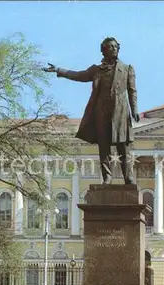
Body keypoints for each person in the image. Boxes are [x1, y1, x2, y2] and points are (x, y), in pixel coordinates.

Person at [43, 37, 139, 185]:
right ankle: (107, 177)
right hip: (101, 112)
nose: (114, 49)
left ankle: (128, 178)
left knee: (124, 147)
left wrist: (134, 110)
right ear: (103, 50)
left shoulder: (127, 69)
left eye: (115, 47)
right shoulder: (96, 70)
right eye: (110, 47)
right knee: (104, 147)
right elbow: (79, 75)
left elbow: (132, 91)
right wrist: (58, 70)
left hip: (120, 113)